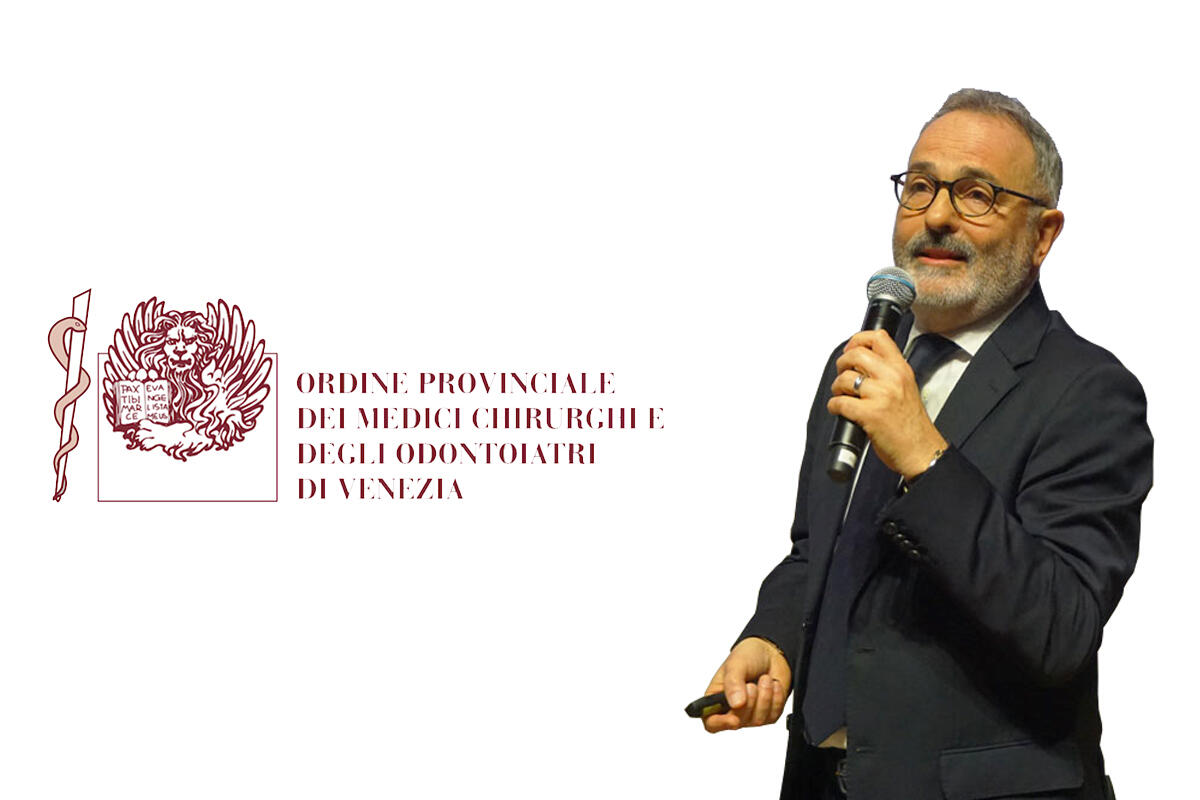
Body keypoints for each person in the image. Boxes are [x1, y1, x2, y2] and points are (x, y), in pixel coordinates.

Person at [698, 89, 1152, 800]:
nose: (937, 215)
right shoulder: (863, 358)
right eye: (919, 187)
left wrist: (925, 456)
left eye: (976, 194)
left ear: (1043, 234)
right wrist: (773, 637)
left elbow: (1060, 628)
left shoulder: (1091, 392)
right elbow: (818, 550)